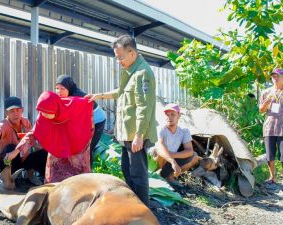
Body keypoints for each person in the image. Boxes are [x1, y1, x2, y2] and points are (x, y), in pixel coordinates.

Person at [85, 34, 156, 207]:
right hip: (127, 132)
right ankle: (133, 206)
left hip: (135, 134)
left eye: (121, 57)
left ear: (132, 53)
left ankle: (143, 212)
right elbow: (121, 92)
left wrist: (139, 135)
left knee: (138, 175)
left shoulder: (142, 73)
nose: (119, 61)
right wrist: (99, 95)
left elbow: (144, 107)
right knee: (127, 170)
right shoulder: (131, 71)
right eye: (117, 58)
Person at [5, 91, 93, 183]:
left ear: (55, 108)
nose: (43, 114)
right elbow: (32, 134)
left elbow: (87, 105)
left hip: (76, 146)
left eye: (46, 112)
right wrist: (16, 151)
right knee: (54, 178)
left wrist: (95, 97)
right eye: (41, 111)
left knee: (79, 181)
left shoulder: (73, 105)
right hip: (57, 148)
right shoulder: (43, 115)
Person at [0, 96, 47, 186]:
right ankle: (6, 178)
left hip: (23, 159)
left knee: (45, 153)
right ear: (6, 113)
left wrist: (40, 148)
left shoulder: (25, 122)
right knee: (10, 147)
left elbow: (31, 139)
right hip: (8, 160)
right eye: (12, 111)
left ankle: (30, 176)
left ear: (22, 110)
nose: (15, 113)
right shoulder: (3, 125)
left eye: (18, 110)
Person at [55, 74, 106, 165]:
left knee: (87, 148)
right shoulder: (66, 96)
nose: (59, 92)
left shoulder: (78, 98)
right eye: (57, 88)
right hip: (85, 120)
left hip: (97, 121)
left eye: (62, 89)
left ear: (69, 88)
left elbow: (80, 120)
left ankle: (87, 174)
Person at [150, 103, 201, 184]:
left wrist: (172, 155)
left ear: (179, 115)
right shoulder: (161, 129)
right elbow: (160, 147)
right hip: (156, 160)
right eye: (167, 115)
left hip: (170, 159)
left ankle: (169, 176)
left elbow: (189, 151)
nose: (169, 117)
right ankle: (157, 174)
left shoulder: (184, 131)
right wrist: (173, 161)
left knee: (194, 156)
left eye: (173, 114)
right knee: (159, 151)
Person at [259, 68, 283, 184]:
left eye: (277, 76)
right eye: (273, 76)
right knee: (270, 154)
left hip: (282, 127)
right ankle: (272, 177)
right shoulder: (266, 92)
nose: (275, 79)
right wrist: (266, 102)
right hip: (269, 127)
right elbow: (261, 110)